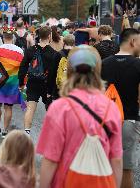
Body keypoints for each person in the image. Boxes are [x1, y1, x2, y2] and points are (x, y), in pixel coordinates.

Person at [37, 46, 123, 188]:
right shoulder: (111, 108)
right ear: (97, 70)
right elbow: (117, 159)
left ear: (70, 70)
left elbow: (51, 160)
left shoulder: (60, 108)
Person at [101, 28, 140, 188]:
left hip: (105, 122)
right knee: (126, 169)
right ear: (132, 42)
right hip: (129, 121)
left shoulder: (104, 63)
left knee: (106, 166)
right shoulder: (138, 64)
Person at [18, 26, 56, 136]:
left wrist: (21, 83)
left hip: (32, 82)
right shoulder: (53, 52)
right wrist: (52, 89)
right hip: (46, 84)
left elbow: (23, 67)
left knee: (30, 108)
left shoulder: (30, 50)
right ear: (49, 36)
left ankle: (26, 132)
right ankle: (52, 133)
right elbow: (53, 72)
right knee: (50, 109)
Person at [0, 26, 24, 138]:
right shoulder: (19, 51)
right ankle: (5, 130)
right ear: (13, 37)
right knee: (8, 107)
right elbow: (22, 68)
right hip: (12, 82)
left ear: (3, 37)